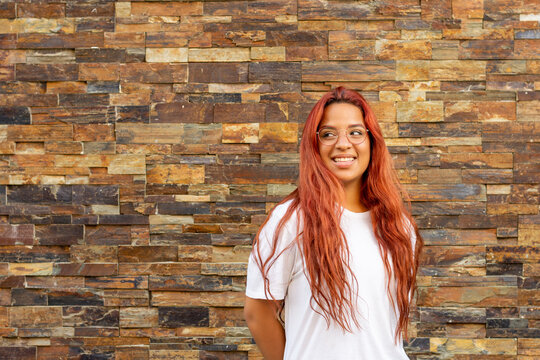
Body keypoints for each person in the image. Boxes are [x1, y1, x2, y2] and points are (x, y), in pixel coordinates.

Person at [243, 86, 423, 360]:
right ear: (314, 146)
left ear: (372, 142)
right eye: (328, 134)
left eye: (355, 132)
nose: (343, 143)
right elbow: (257, 313)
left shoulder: (398, 227)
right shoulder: (291, 220)